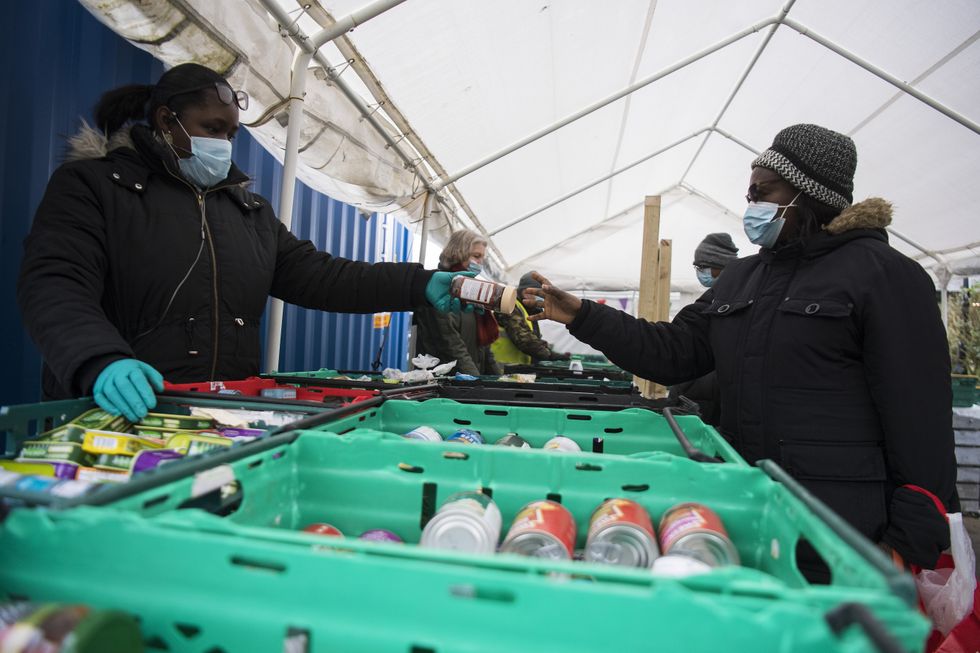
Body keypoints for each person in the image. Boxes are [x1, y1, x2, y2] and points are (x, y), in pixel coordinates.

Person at [526, 124, 958, 576]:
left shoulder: (885, 276)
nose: (751, 206)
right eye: (750, 195)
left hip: (841, 530)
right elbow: (672, 353)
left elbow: (921, 420)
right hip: (741, 504)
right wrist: (582, 316)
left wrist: (906, 544)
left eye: (763, 192)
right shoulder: (742, 277)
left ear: (806, 194)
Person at [17, 63, 469, 422]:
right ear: (165, 121)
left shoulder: (246, 212)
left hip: (221, 416)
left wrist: (420, 284)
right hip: (121, 415)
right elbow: (55, 283)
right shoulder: (95, 187)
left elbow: (324, 277)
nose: (224, 144)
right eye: (212, 128)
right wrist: (98, 359)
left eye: (231, 134)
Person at [668, 233, 739, 426]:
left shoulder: (737, 306)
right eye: (697, 267)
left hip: (714, 411)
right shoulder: (708, 303)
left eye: (703, 267)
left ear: (721, 267)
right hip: (695, 402)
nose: (700, 272)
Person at [414, 229, 502, 376]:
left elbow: (484, 346)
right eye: (476, 256)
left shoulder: (471, 289)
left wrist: (498, 380)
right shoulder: (440, 288)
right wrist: (476, 381)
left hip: (466, 379)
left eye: (482, 258)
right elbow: (451, 345)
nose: (480, 262)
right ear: (458, 253)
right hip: (444, 381)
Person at [492, 272, 570, 365]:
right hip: (502, 368)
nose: (542, 298)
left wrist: (549, 351)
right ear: (527, 292)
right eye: (539, 294)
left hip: (517, 368)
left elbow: (533, 338)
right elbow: (525, 340)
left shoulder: (528, 311)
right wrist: (550, 355)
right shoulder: (510, 306)